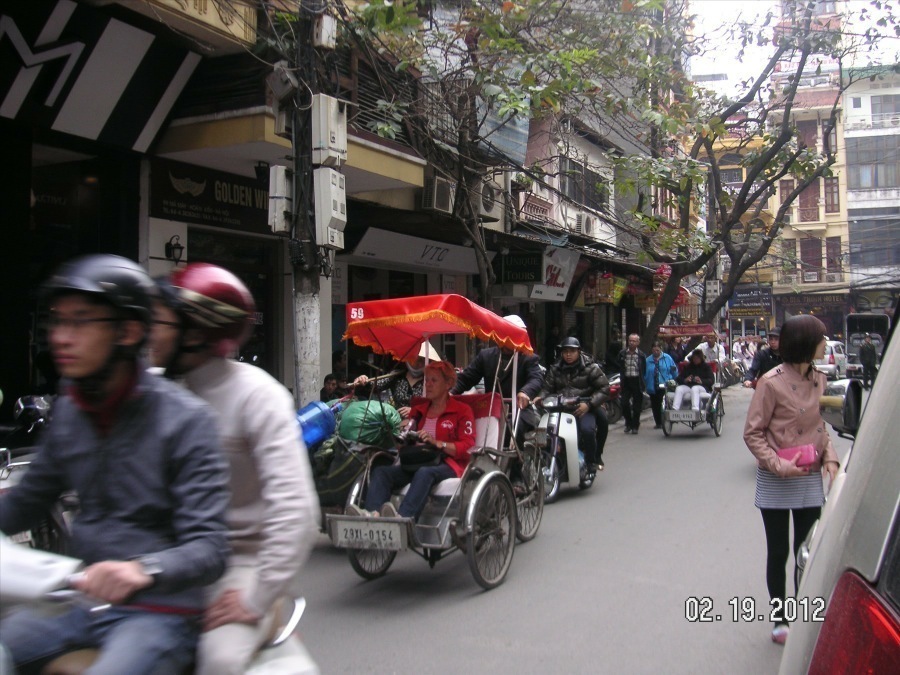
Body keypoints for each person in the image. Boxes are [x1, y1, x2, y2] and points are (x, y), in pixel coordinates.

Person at [0, 254, 230, 674]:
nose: (61, 338)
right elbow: (28, 500)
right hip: (80, 602)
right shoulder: (70, 409)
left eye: (81, 321)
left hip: (160, 613)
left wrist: (142, 570)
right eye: (57, 321)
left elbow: (210, 548)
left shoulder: (186, 421)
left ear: (128, 331)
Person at [150, 263, 318, 675]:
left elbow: (296, 512)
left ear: (194, 332)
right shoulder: (156, 392)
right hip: (169, 559)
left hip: (241, 563)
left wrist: (256, 598)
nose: (147, 332)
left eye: (160, 322)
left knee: (218, 659)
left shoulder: (257, 395)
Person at [743, 314, 840, 645]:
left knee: (806, 552)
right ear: (805, 342)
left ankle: (806, 617)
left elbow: (821, 426)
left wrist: (830, 458)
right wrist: (778, 466)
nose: (825, 344)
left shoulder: (821, 379)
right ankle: (780, 620)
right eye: (821, 338)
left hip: (809, 475)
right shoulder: (770, 382)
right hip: (777, 476)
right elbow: (753, 433)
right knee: (780, 551)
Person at [348, 360, 475, 520]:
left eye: (433, 380)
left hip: (447, 463)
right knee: (381, 472)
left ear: (448, 383)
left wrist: (437, 443)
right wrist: (403, 437)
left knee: (424, 473)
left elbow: (467, 447)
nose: (427, 385)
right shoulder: (418, 410)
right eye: (426, 379)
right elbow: (405, 446)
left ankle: (403, 517)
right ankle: (372, 514)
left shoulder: (462, 411)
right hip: (418, 460)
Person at [451, 315, 544, 433]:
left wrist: (525, 392)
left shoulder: (528, 357)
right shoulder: (486, 356)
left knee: (513, 428)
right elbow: (466, 378)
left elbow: (536, 378)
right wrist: (451, 392)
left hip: (520, 409)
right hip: (490, 409)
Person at [535, 337, 610, 472]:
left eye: (572, 351)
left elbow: (604, 388)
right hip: (559, 409)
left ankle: (591, 460)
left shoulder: (591, 367)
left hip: (583, 409)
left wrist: (588, 404)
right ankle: (539, 459)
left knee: (588, 430)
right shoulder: (555, 368)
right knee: (541, 431)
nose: (568, 355)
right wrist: (540, 398)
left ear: (579, 352)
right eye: (565, 351)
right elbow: (547, 388)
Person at [350, 341, 441, 419]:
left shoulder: (430, 382)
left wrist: (414, 411)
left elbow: (438, 405)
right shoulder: (397, 376)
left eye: (422, 360)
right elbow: (374, 387)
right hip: (397, 423)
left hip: (422, 424)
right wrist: (363, 381)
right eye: (415, 359)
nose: (418, 363)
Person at [644, 341, 679, 429]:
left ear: (661, 349)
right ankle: (658, 422)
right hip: (653, 385)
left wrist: (676, 380)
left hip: (665, 384)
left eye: (658, 350)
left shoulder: (667, 358)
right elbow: (644, 374)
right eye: (654, 350)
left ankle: (666, 418)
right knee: (655, 404)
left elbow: (674, 370)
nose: (656, 352)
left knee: (663, 402)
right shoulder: (648, 360)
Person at [618, 333, 647, 434]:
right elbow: (620, 366)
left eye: (634, 341)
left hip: (637, 381)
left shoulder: (641, 355)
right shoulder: (622, 353)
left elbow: (644, 369)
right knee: (624, 403)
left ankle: (635, 425)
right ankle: (628, 423)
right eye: (630, 340)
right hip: (626, 381)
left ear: (638, 342)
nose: (631, 343)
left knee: (636, 406)